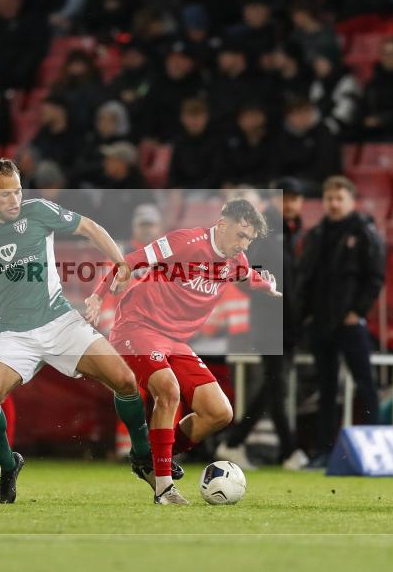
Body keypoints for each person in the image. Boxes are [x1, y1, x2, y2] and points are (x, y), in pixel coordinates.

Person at [0, 158, 173, 504]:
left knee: (126, 381)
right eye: (5, 194)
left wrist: (121, 262)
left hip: (60, 322)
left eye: (18, 191)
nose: (14, 200)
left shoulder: (38, 212)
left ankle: (141, 456)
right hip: (15, 335)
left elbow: (90, 228)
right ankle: (9, 465)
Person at [85, 198, 281, 503]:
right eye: (241, 235)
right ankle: (163, 487)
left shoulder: (237, 260)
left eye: (249, 239)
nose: (244, 244)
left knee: (220, 412)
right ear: (222, 224)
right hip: (137, 326)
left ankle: (151, 457)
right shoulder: (185, 242)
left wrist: (265, 285)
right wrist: (98, 296)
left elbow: (247, 275)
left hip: (175, 340)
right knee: (169, 390)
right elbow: (131, 260)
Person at [216, 181, 308, 470]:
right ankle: (288, 451)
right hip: (272, 322)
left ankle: (234, 443)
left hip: (288, 321)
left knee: (273, 386)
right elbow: (243, 276)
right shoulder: (264, 236)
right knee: (276, 385)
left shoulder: (290, 234)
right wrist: (267, 294)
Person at [297, 176, 386, 467]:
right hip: (321, 322)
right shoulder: (317, 233)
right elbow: (305, 278)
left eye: (339, 198)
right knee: (326, 389)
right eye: (329, 198)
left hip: (349, 323)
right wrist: (306, 313)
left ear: (351, 200)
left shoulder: (363, 232)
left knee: (365, 384)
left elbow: (375, 277)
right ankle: (325, 452)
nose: (334, 204)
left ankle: (376, 449)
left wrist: (357, 312)